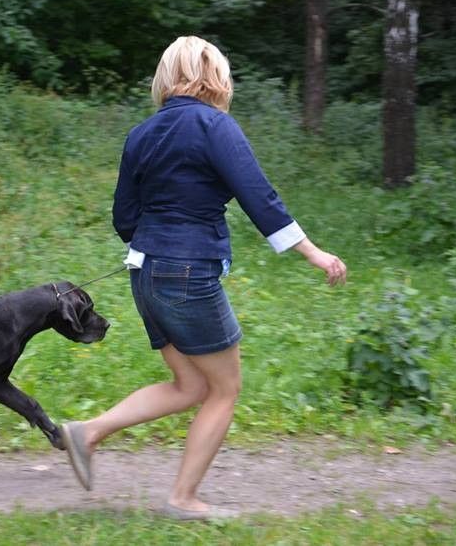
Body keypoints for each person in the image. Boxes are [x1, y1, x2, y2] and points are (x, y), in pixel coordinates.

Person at [60, 35, 347, 521]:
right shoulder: (215, 126)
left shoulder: (140, 134)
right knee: (225, 389)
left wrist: (156, 246)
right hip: (187, 273)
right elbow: (259, 197)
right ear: (215, 76)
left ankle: (87, 433)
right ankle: (183, 499)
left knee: (191, 385)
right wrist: (313, 253)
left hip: (144, 272)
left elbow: (124, 216)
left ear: (167, 76)